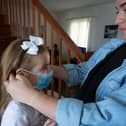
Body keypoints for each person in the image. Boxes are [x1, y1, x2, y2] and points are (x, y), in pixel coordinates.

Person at [4, 0, 126, 125]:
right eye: (117, 11)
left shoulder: (34, 95)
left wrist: (34, 97)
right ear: (22, 75)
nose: (117, 20)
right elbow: (85, 71)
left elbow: (110, 118)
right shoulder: (15, 111)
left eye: (125, 9)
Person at [0, 35, 57, 126]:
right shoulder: (16, 110)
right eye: (44, 67)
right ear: (22, 75)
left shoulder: (39, 92)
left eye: (49, 65)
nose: (51, 70)